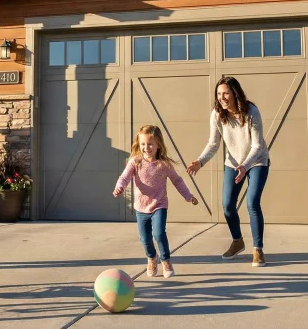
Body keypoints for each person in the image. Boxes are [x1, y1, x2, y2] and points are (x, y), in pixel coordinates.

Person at [187, 76, 270, 267]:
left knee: (252, 202)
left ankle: (257, 249)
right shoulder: (217, 114)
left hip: (257, 162)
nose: (222, 97)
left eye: (225, 93)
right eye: (218, 94)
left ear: (235, 93)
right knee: (227, 206)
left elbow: (257, 145)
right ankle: (237, 241)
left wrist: (245, 165)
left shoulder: (251, 112)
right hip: (233, 163)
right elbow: (213, 143)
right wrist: (200, 161)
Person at [113, 125, 198, 278]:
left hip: (159, 204)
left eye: (150, 144)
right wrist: (120, 187)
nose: (147, 147)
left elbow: (177, 181)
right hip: (141, 207)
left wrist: (188, 196)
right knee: (145, 239)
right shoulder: (135, 162)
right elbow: (124, 177)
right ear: (139, 144)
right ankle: (152, 258)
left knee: (159, 234)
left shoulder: (164, 164)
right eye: (143, 144)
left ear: (158, 144)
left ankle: (165, 260)